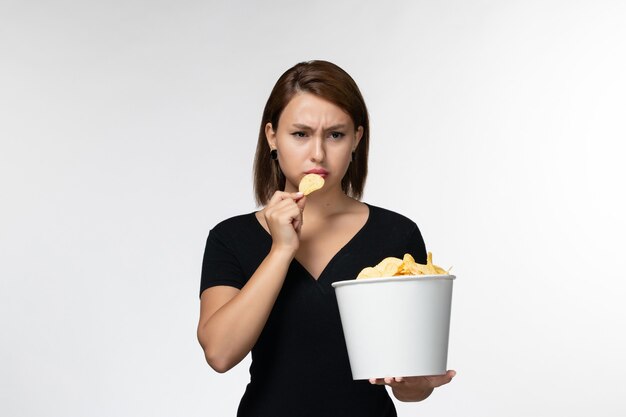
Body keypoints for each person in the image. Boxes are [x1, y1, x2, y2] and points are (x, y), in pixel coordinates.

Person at [197, 60, 455, 417]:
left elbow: (410, 389)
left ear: (356, 140)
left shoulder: (397, 234)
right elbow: (220, 354)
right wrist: (281, 250)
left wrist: (417, 383)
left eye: (335, 134)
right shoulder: (231, 238)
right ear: (272, 136)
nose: (317, 153)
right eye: (300, 134)